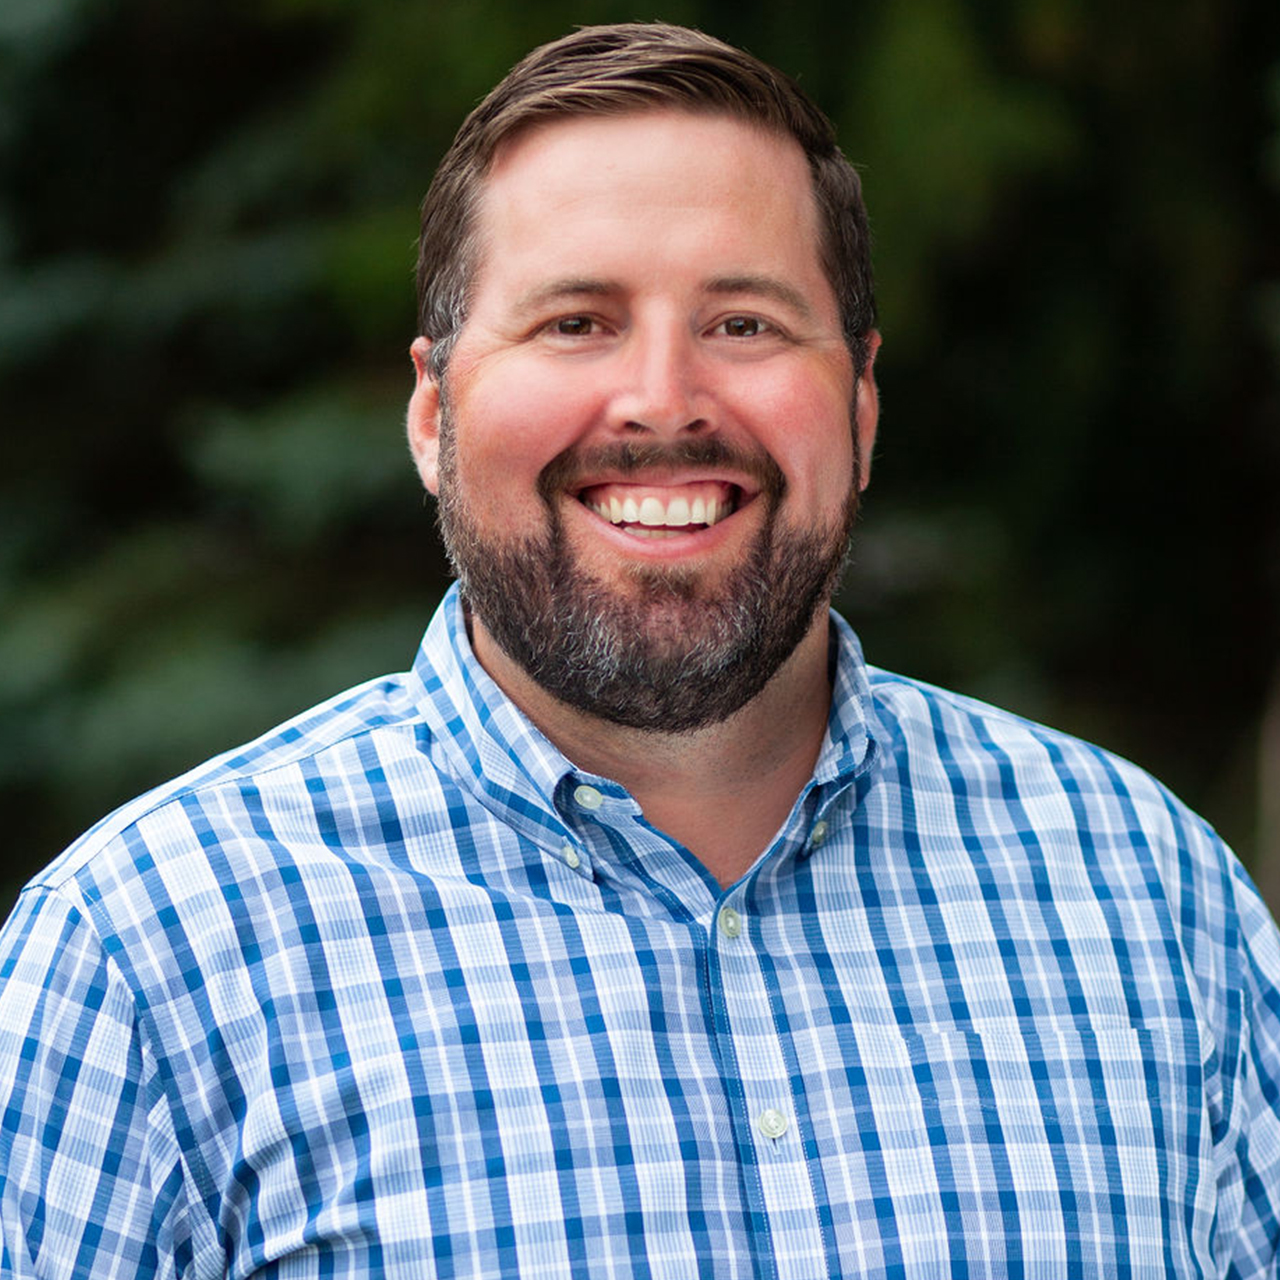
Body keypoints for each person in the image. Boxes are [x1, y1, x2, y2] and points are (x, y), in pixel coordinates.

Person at [1, 21, 1278, 1279]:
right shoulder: (144, 961)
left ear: (859, 403)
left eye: (744, 323)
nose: (663, 400)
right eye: (575, 322)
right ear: (433, 413)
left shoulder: (1151, 894)